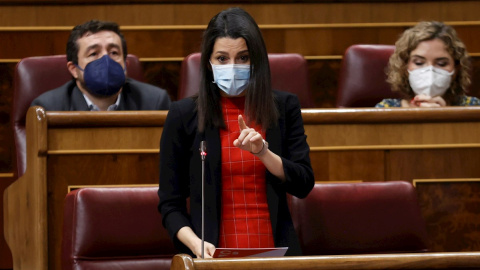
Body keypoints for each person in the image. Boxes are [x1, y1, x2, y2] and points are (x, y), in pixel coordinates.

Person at [158, 7, 314, 258]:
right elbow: (170, 203)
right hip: (211, 255)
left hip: (276, 255)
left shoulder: (284, 107)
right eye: (222, 59)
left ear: (257, 60)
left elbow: (304, 183)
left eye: (243, 58)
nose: (233, 66)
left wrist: (264, 152)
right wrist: (195, 243)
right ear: (208, 63)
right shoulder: (183, 115)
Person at [31, 20, 171, 111]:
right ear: (74, 69)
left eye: (114, 52)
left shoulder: (154, 103)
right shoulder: (48, 108)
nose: (106, 60)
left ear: (125, 65)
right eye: (93, 54)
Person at [376, 21, 480, 108]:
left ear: (456, 69)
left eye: (442, 63)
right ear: (405, 67)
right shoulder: (386, 108)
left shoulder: (472, 107)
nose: (430, 71)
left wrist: (446, 116)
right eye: (419, 63)